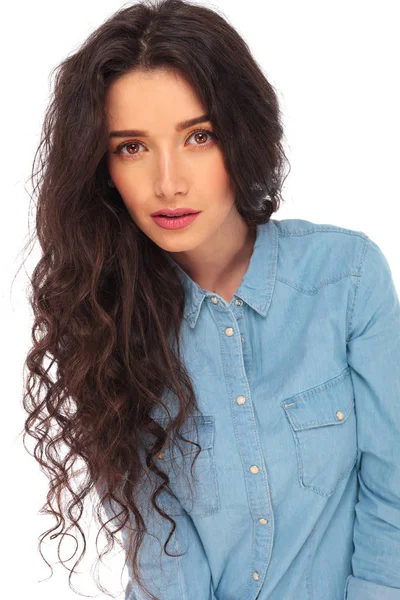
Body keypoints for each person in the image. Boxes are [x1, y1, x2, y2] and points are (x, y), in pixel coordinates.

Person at [21, 0, 400, 599]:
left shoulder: (346, 278)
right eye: (132, 147)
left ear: (242, 134)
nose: (168, 182)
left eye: (198, 136)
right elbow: (164, 558)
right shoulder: (103, 321)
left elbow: (393, 494)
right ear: (102, 169)